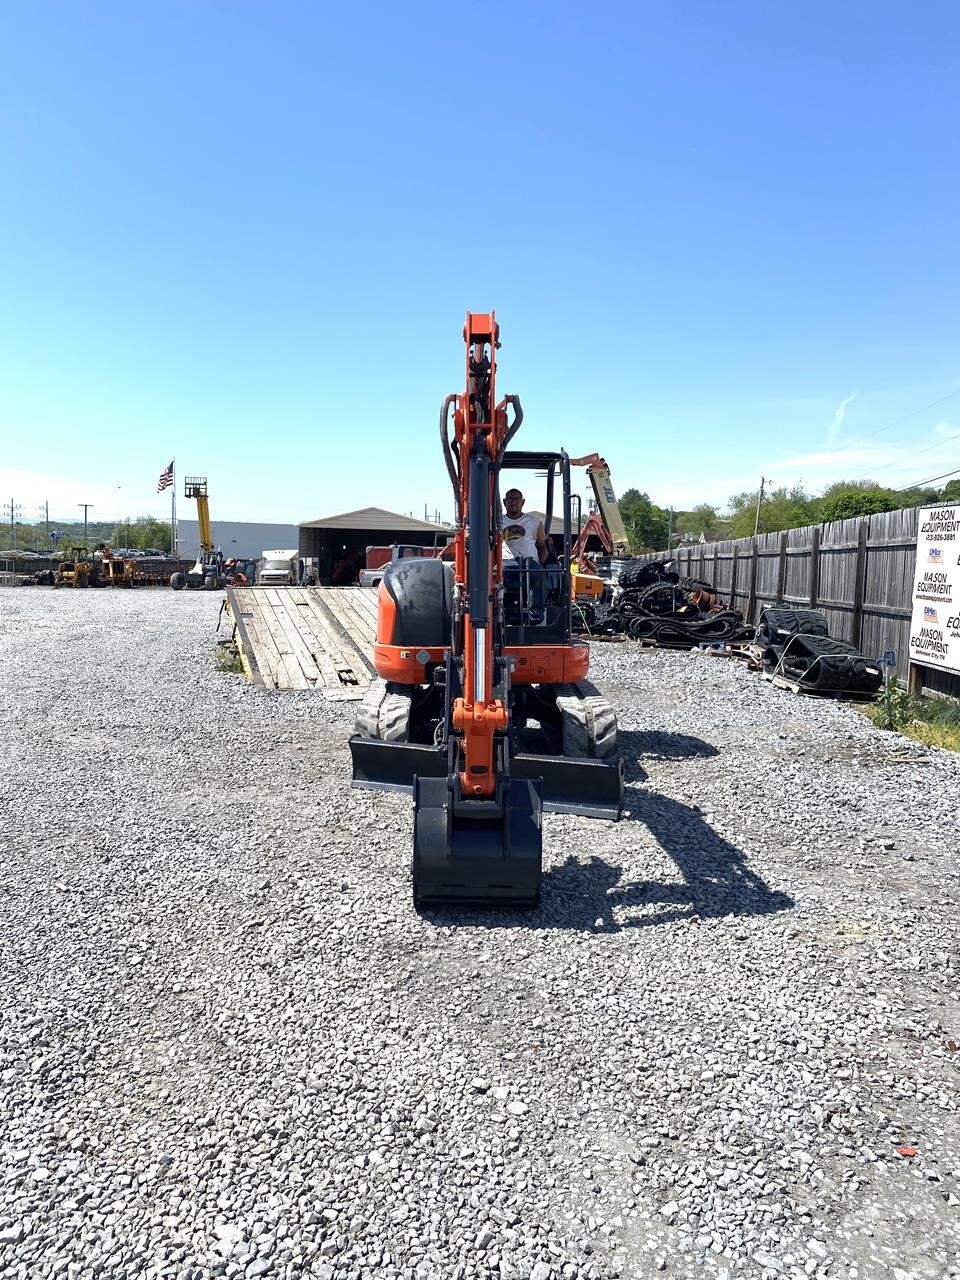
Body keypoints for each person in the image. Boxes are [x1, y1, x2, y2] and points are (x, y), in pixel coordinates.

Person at [500, 488, 547, 618]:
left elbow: (543, 546)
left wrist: (540, 564)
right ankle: (498, 612)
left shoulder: (534, 522)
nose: (513, 502)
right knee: (492, 578)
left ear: (523, 502)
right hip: (505, 562)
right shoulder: (497, 522)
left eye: (516, 499)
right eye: (510, 499)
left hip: (528, 561)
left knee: (539, 574)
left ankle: (535, 614)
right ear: (504, 502)